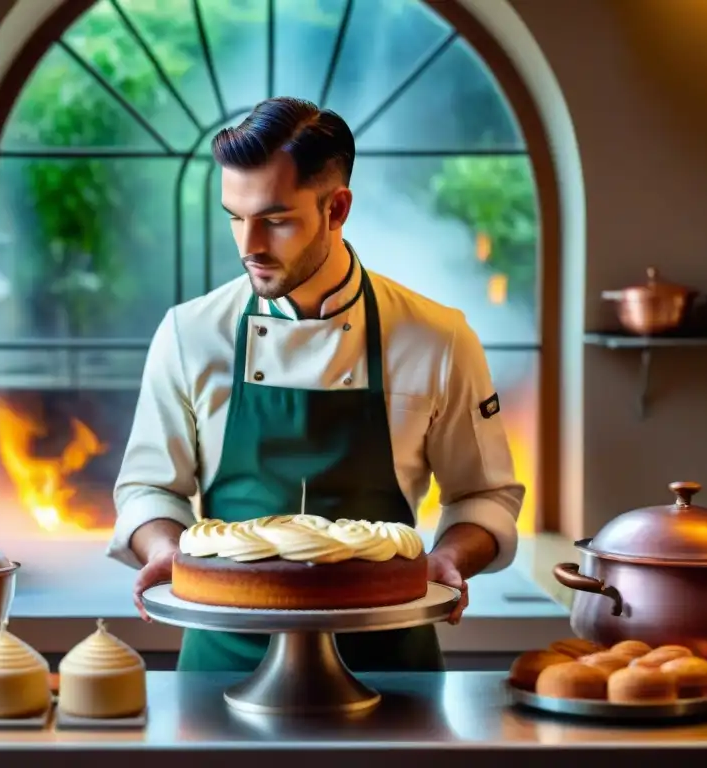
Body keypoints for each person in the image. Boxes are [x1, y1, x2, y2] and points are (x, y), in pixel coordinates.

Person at [107, 96, 524, 673]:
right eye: (234, 216)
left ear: (337, 208)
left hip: (390, 666)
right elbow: (148, 490)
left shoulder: (438, 338)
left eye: (275, 220)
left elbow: (485, 495)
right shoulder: (189, 334)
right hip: (223, 664)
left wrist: (448, 557)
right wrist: (168, 553)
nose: (248, 245)